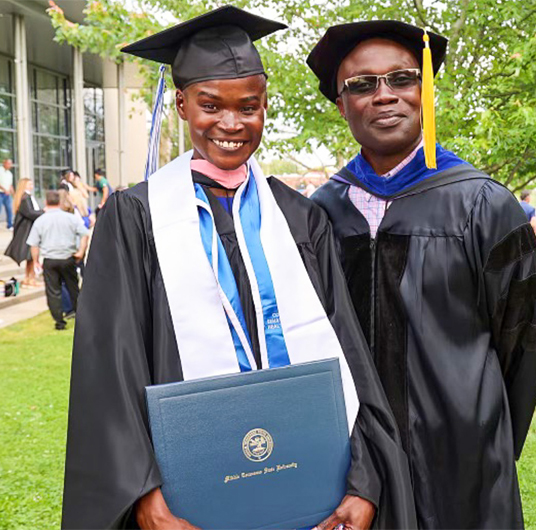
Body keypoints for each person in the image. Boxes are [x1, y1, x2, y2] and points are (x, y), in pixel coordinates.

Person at [61, 7, 415, 529]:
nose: (230, 124)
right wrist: (145, 494)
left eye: (248, 107)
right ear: (182, 104)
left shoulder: (300, 217)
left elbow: (348, 357)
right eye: (210, 106)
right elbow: (110, 371)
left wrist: (363, 479)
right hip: (189, 501)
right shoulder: (136, 217)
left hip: (308, 488)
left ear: (265, 106)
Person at [306, 20, 536, 528]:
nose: (385, 95)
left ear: (426, 91)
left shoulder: (483, 205)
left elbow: (522, 344)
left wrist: (480, 430)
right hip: (355, 472)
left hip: (462, 465)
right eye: (362, 84)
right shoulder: (320, 214)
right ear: (340, 102)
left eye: (402, 79)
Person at [26, 190, 87, 330]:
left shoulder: (40, 220)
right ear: (59, 202)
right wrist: (81, 251)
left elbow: (34, 243)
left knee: (53, 291)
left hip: (50, 259)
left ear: (46, 202)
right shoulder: (70, 218)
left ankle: (59, 322)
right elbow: (84, 233)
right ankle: (81, 317)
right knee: (73, 288)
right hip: (68, 257)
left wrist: (35, 260)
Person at [5, 178, 42, 286]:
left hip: (27, 229)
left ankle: (29, 277)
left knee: (30, 256)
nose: (32, 185)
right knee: (31, 255)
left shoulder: (25, 197)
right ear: (24, 185)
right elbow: (30, 213)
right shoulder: (26, 198)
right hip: (27, 229)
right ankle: (30, 278)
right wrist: (44, 212)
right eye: (29, 183)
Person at [0, 158, 14, 229]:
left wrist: (13, 193)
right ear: (4, 163)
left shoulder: (10, 174)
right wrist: (4, 189)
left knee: (9, 209)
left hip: (7, 194)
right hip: (0, 193)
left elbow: (10, 185)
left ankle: (9, 225)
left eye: (11, 164)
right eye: (8, 163)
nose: (10, 165)